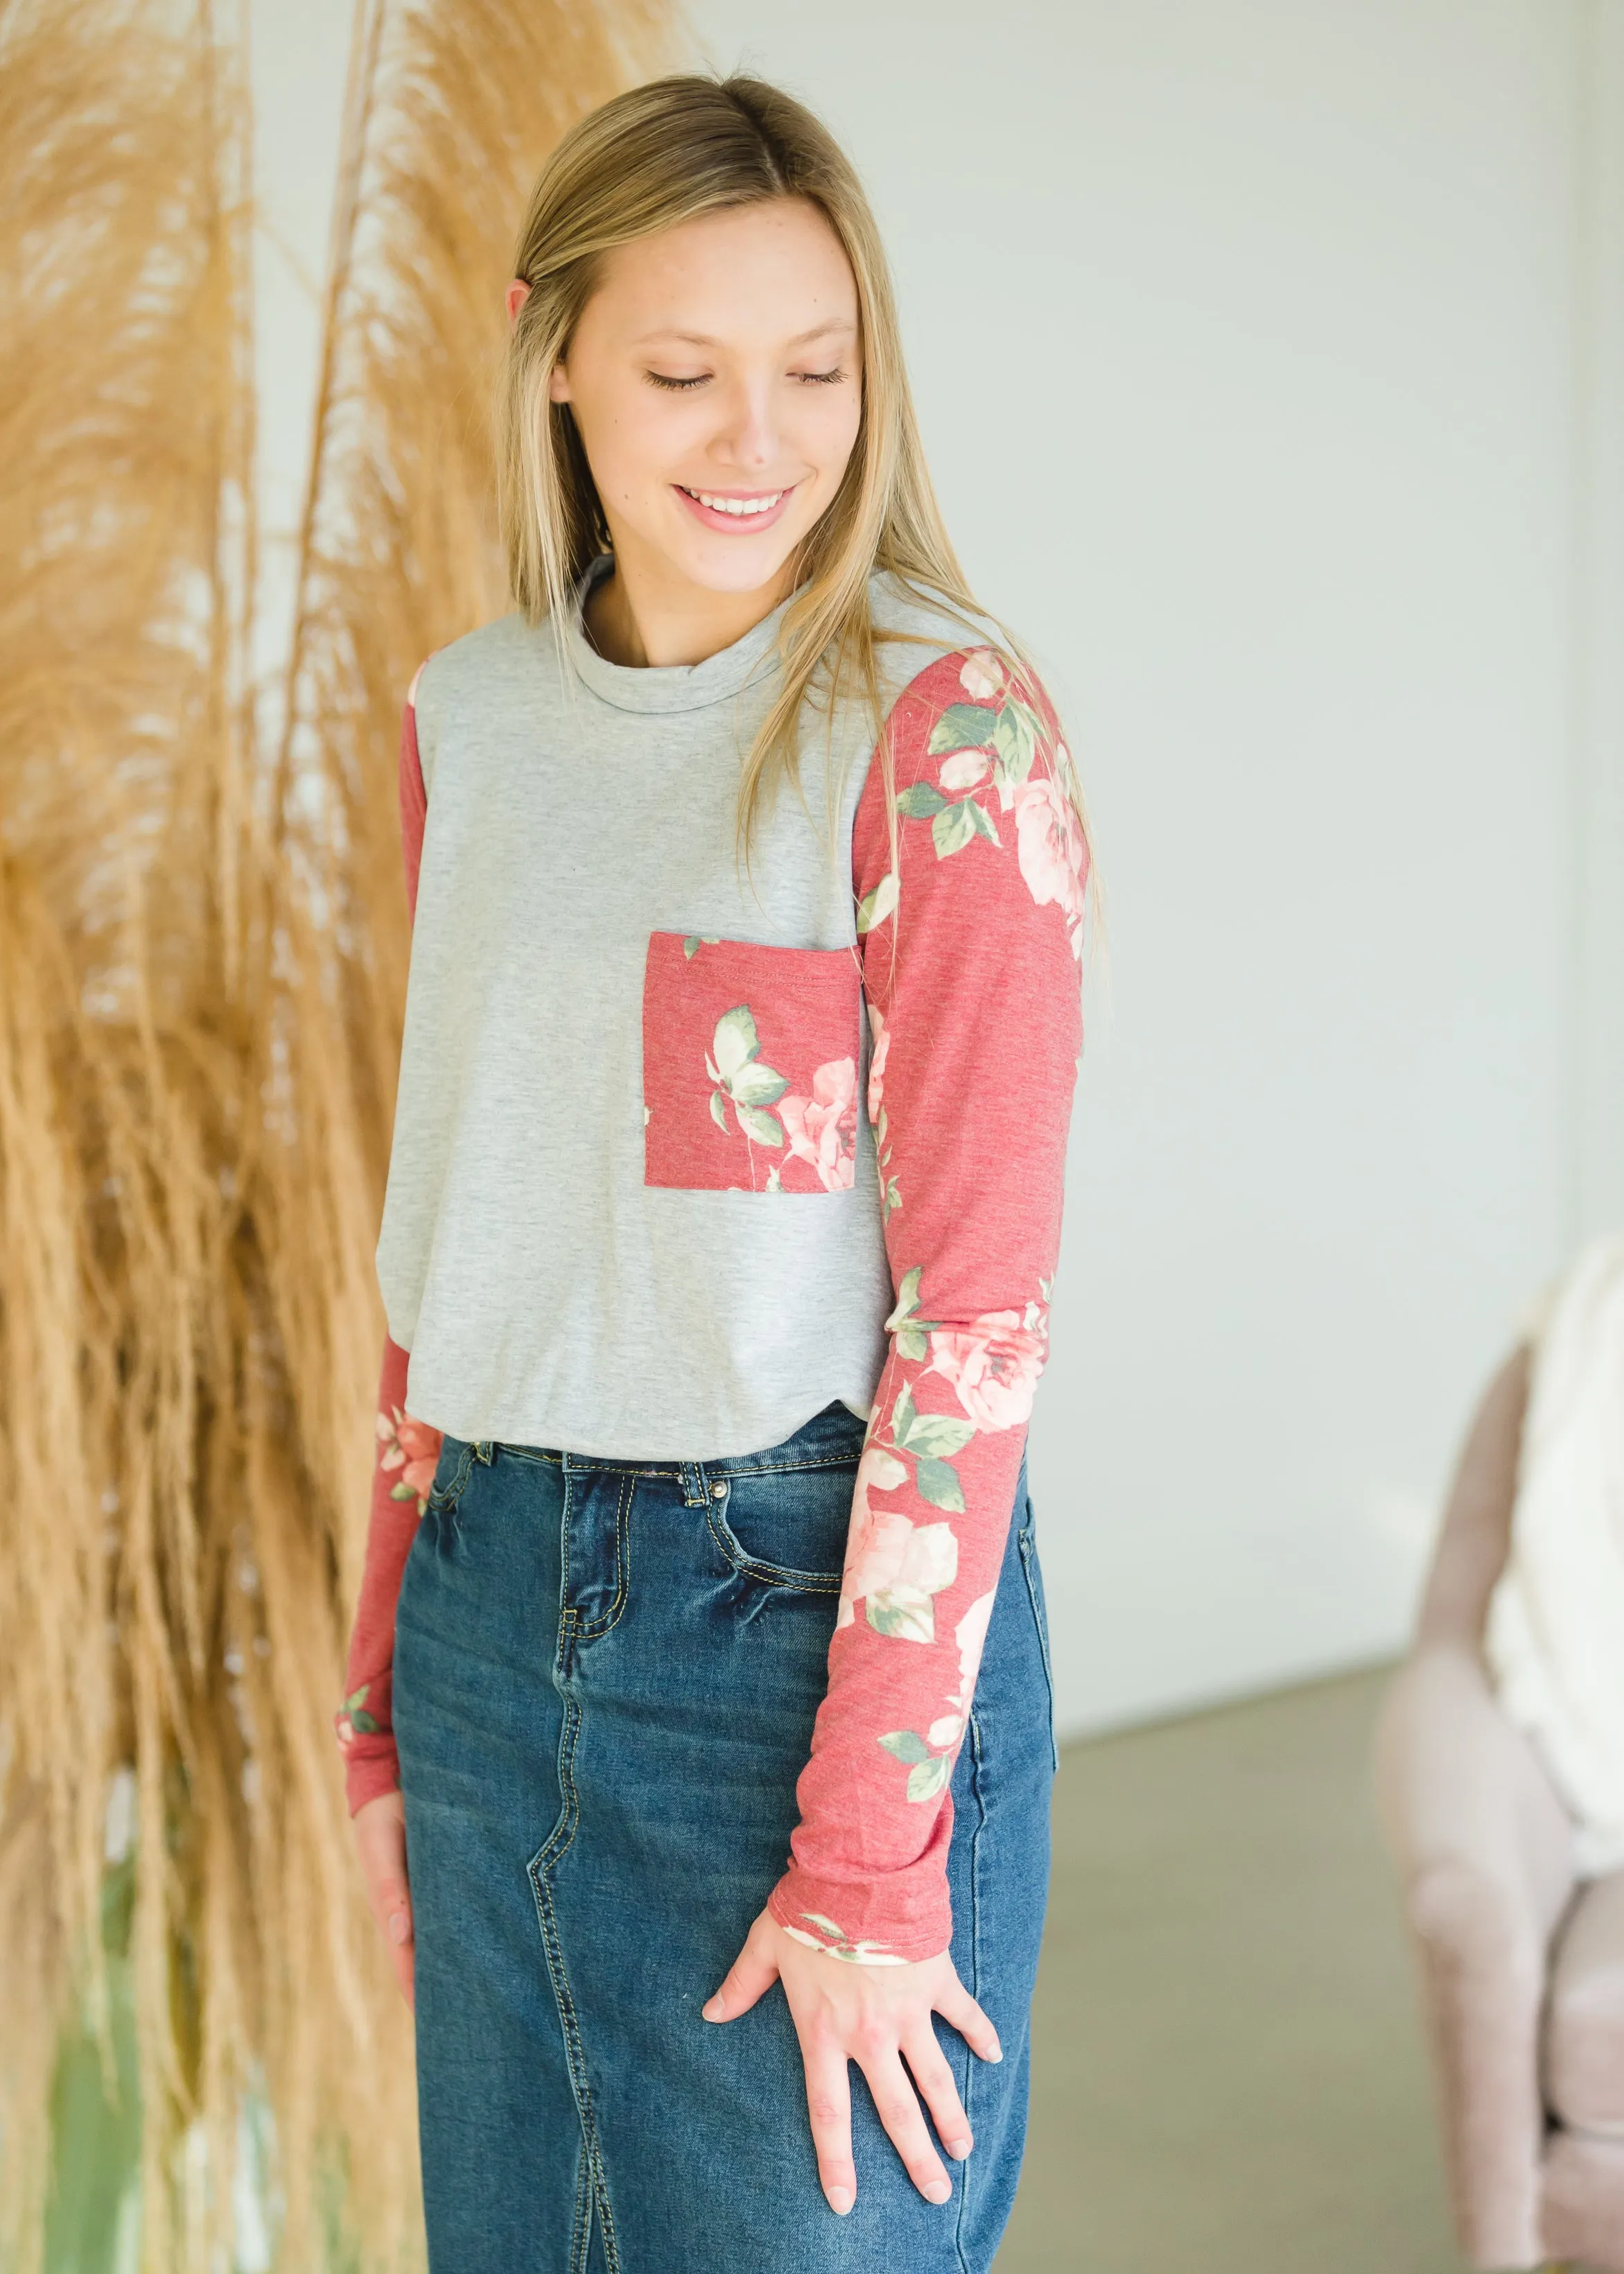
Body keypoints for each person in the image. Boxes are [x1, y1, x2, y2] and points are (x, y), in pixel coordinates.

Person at [333, 70, 1089, 2274]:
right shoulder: (461, 726)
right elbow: (444, 1240)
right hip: (483, 1615)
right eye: (680, 372)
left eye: (813, 370)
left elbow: (974, 1325)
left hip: (790, 1650)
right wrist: (381, 1702)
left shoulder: (940, 740)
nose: (755, 438)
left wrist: (869, 1847)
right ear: (549, 351)